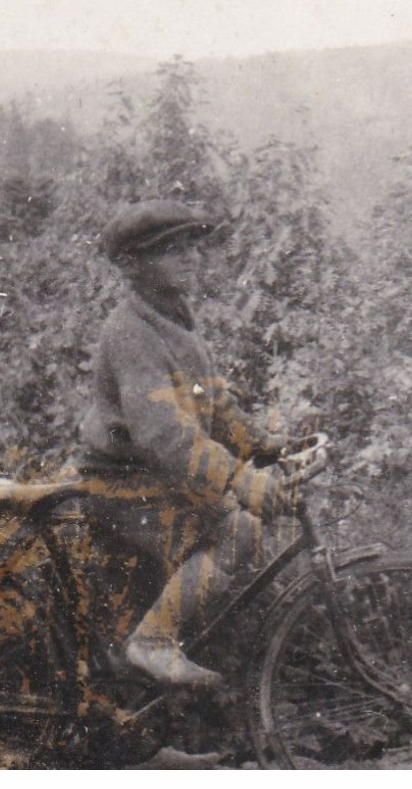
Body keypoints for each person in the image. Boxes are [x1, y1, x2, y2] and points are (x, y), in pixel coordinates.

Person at [78, 199, 318, 688]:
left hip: (154, 480)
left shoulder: (176, 320)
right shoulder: (131, 332)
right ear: (132, 266)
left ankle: (139, 742)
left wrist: (266, 445)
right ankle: (155, 641)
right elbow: (164, 435)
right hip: (121, 485)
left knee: (139, 602)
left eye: (192, 247)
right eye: (170, 250)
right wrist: (239, 479)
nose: (190, 258)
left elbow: (214, 407)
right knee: (240, 532)